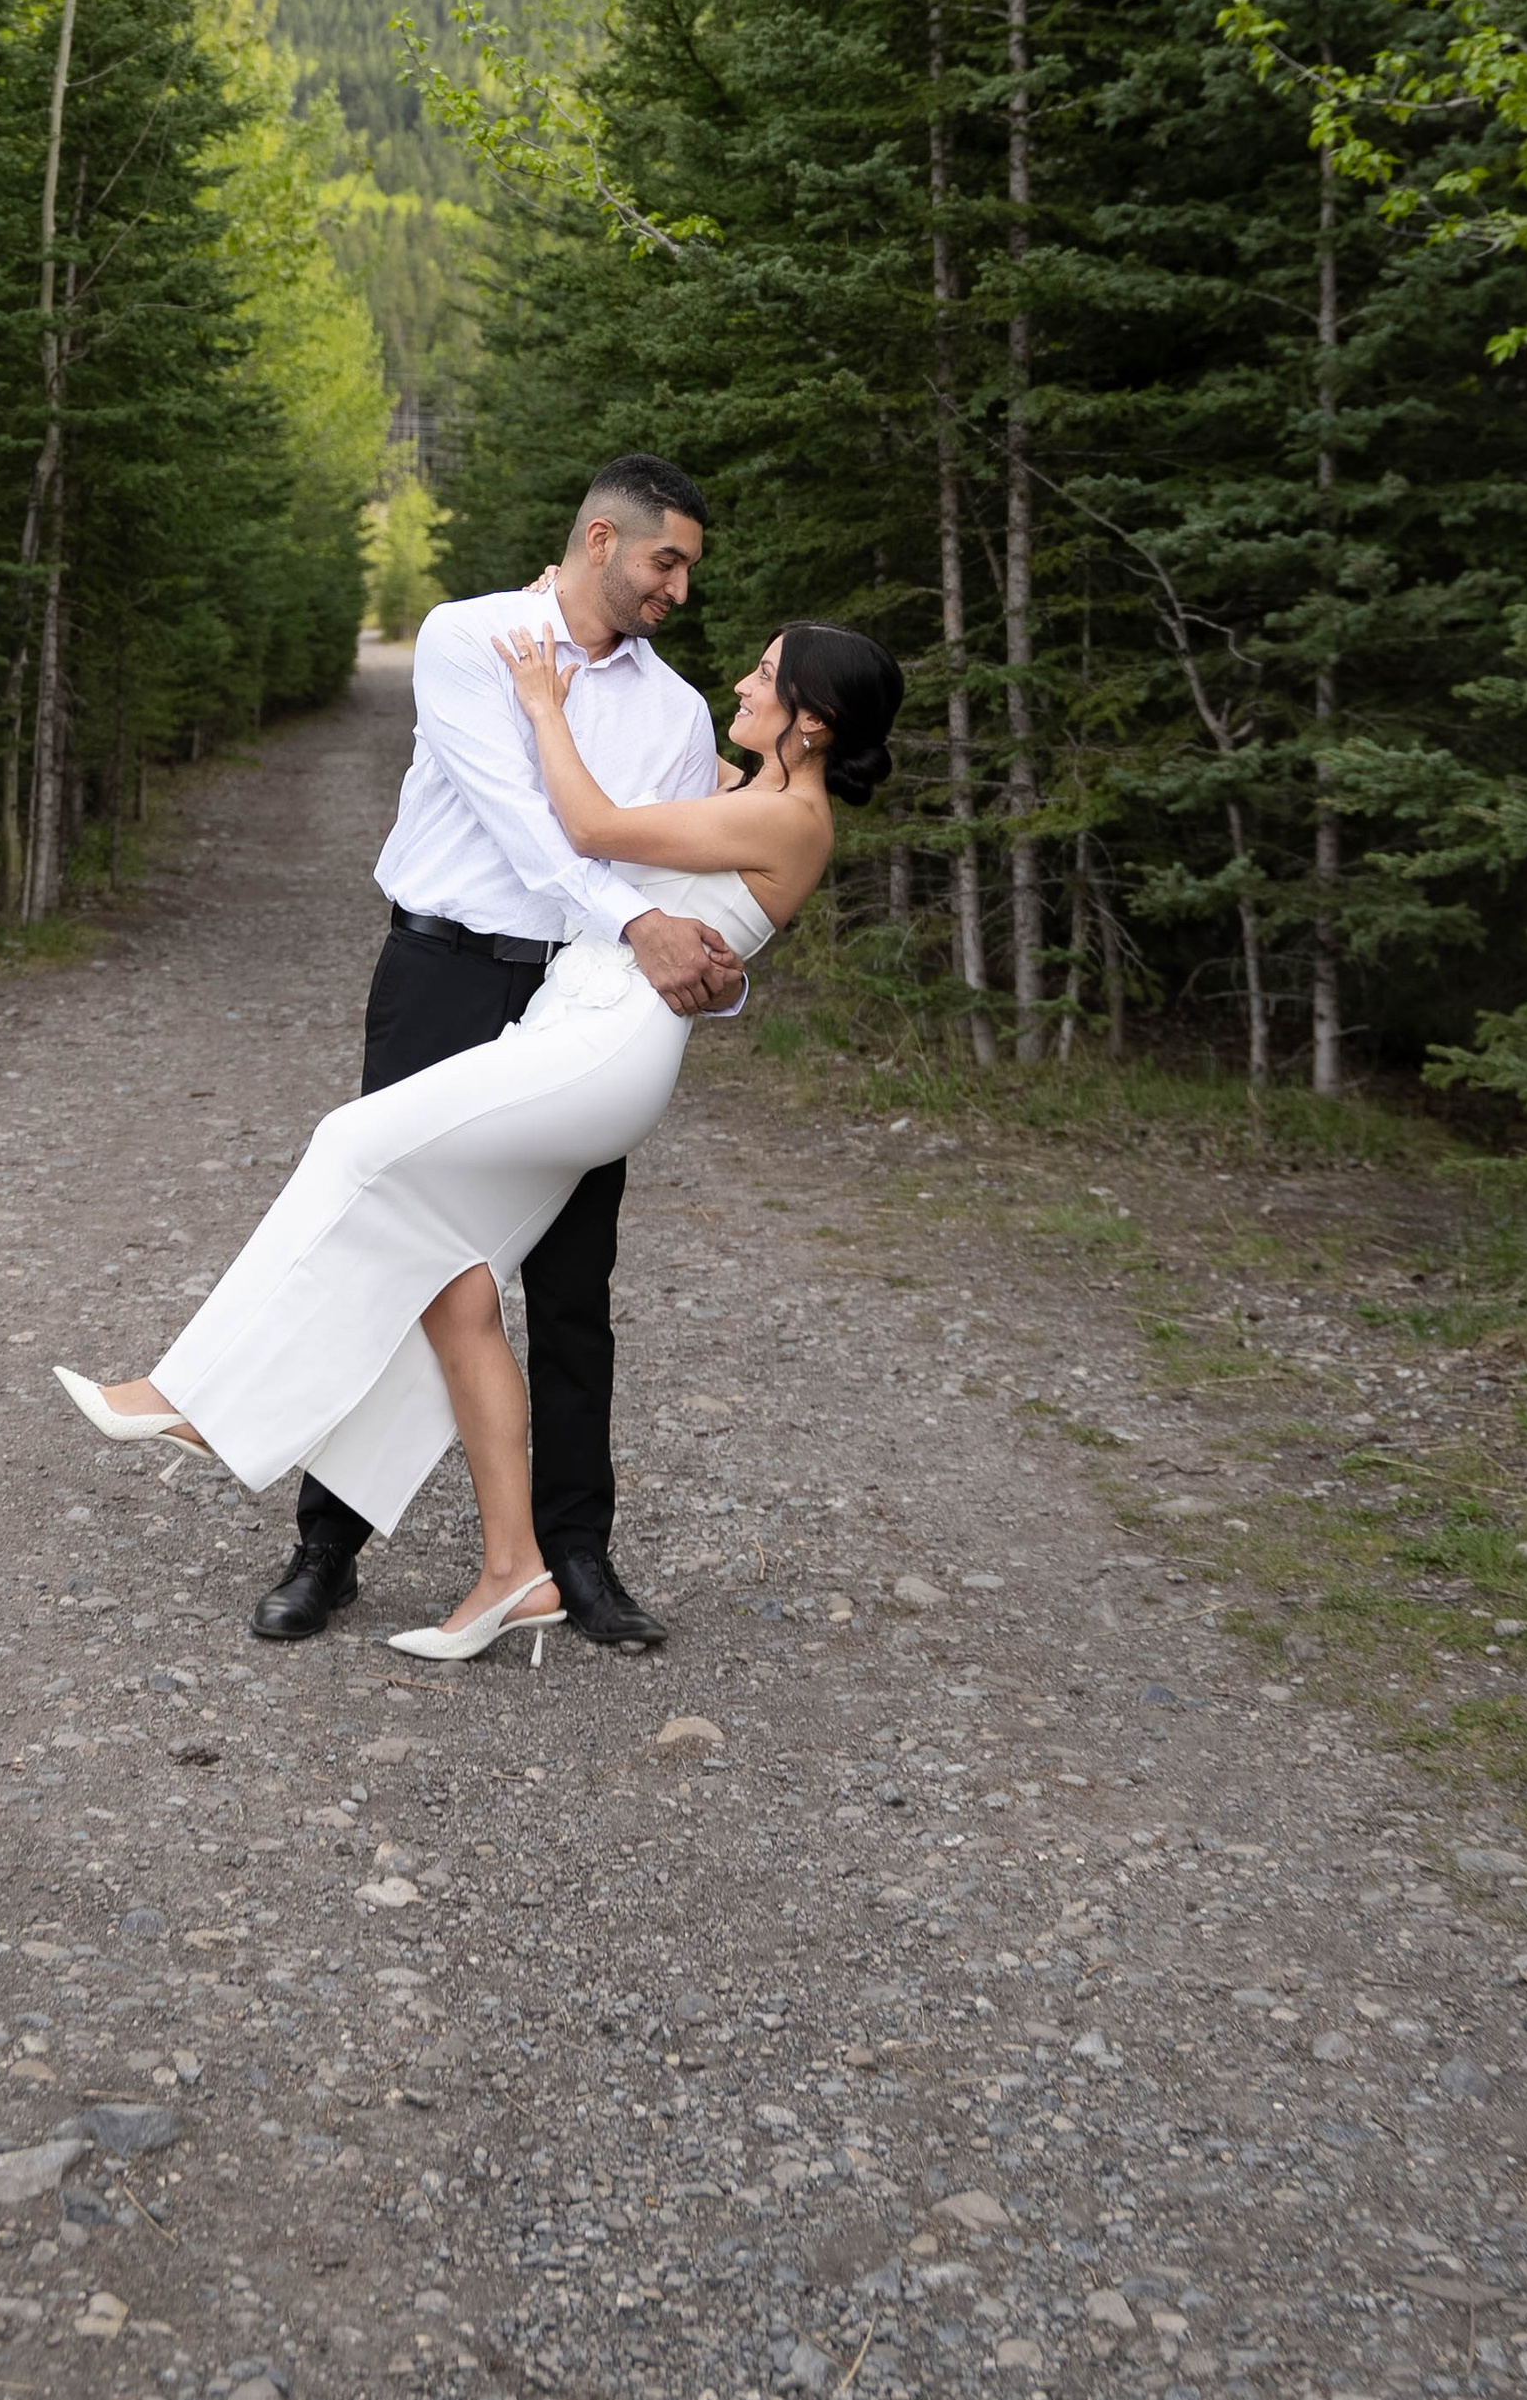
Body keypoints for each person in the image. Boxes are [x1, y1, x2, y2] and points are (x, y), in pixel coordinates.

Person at [55, 515, 906, 1659]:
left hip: (593, 1031)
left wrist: (550, 710)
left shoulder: (707, 742)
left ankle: (211, 1401)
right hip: (471, 973)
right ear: (603, 538)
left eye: (764, 668)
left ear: (811, 716)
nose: (692, 605)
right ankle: (489, 1565)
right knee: (446, 1280)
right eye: (670, 564)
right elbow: (668, 859)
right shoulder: (502, 649)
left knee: (387, 1172)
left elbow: (600, 827)